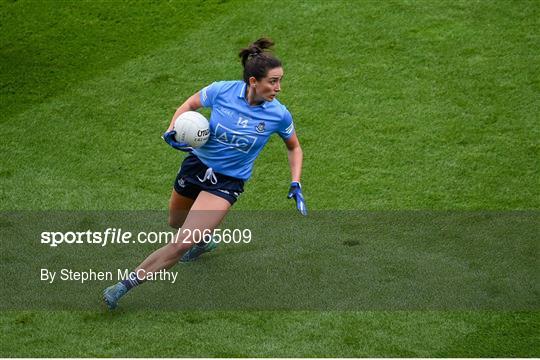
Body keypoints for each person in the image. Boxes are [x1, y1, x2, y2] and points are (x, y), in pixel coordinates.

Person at [103, 38, 307, 310]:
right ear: (253, 81)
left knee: (179, 244)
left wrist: (296, 181)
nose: (278, 88)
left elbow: (294, 147)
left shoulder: (277, 115)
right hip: (196, 165)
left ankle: (125, 285)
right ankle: (206, 240)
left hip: (226, 182)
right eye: (273, 81)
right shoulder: (222, 91)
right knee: (175, 221)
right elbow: (189, 105)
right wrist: (171, 129)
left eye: (280, 81)